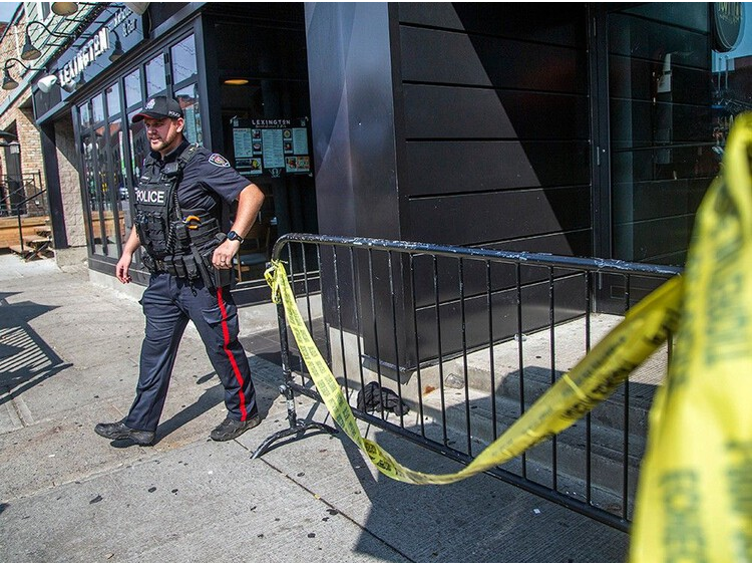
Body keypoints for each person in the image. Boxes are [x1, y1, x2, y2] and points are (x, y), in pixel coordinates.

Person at [95, 96, 265, 446]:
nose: (151, 130)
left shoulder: (202, 163)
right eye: (147, 124)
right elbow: (148, 220)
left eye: (158, 122)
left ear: (178, 124)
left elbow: (252, 195)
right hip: (162, 281)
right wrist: (127, 251)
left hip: (201, 281)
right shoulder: (150, 166)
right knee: (153, 352)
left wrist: (232, 240)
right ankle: (140, 424)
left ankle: (245, 413)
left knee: (222, 348)